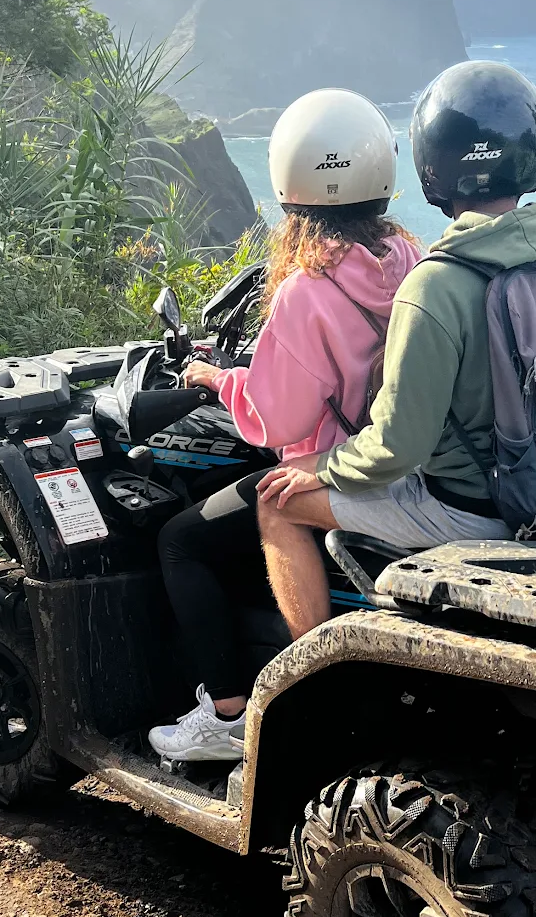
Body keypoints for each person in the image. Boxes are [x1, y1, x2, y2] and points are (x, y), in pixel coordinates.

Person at [257, 60, 536, 637]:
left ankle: (306, 679)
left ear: (432, 167)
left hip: (473, 513)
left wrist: (314, 465)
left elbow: (398, 446)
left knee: (275, 503)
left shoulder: (436, 283)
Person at [147, 89, 420, 766]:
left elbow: (277, 416)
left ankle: (229, 713)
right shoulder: (410, 259)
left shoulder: (307, 288)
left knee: (180, 541)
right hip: (405, 467)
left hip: (329, 473)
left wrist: (215, 379)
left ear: (290, 182)